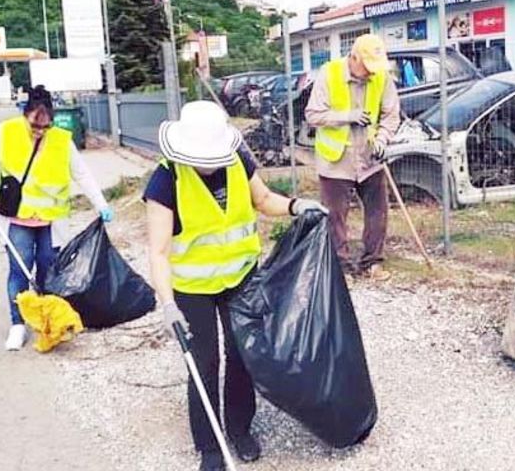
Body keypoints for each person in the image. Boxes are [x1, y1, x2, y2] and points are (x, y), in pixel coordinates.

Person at [144, 101, 326, 471]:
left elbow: (263, 200)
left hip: (240, 277)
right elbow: (159, 250)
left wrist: (296, 206)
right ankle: (209, 446)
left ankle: (240, 429)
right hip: (193, 288)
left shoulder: (237, 163)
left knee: (242, 354)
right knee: (204, 362)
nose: (209, 162)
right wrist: (167, 305)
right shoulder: (166, 182)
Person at [0, 85, 113, 350]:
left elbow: (82, 174)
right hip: (17, 219)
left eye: (45, 127)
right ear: (26, 114)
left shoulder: (61, 140)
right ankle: (18, 325)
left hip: (51, 222)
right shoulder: (5, 132)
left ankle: (48, 320)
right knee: (18, 272)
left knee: (49, 272)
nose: (39, 132)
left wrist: (101, 204)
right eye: (35, 125)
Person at [305, 33, 401, 280]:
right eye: (367, 67)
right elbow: (313, 115)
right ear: (354, 57)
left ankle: (372, 262)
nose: (371, 73)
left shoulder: (381, 75)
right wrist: (347, 115)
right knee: (335, 216)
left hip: (369, 157)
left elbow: (391, 114)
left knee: (378, 211)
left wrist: (382, 139)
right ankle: (341, 267)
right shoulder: (329, 73)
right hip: (336, 161)